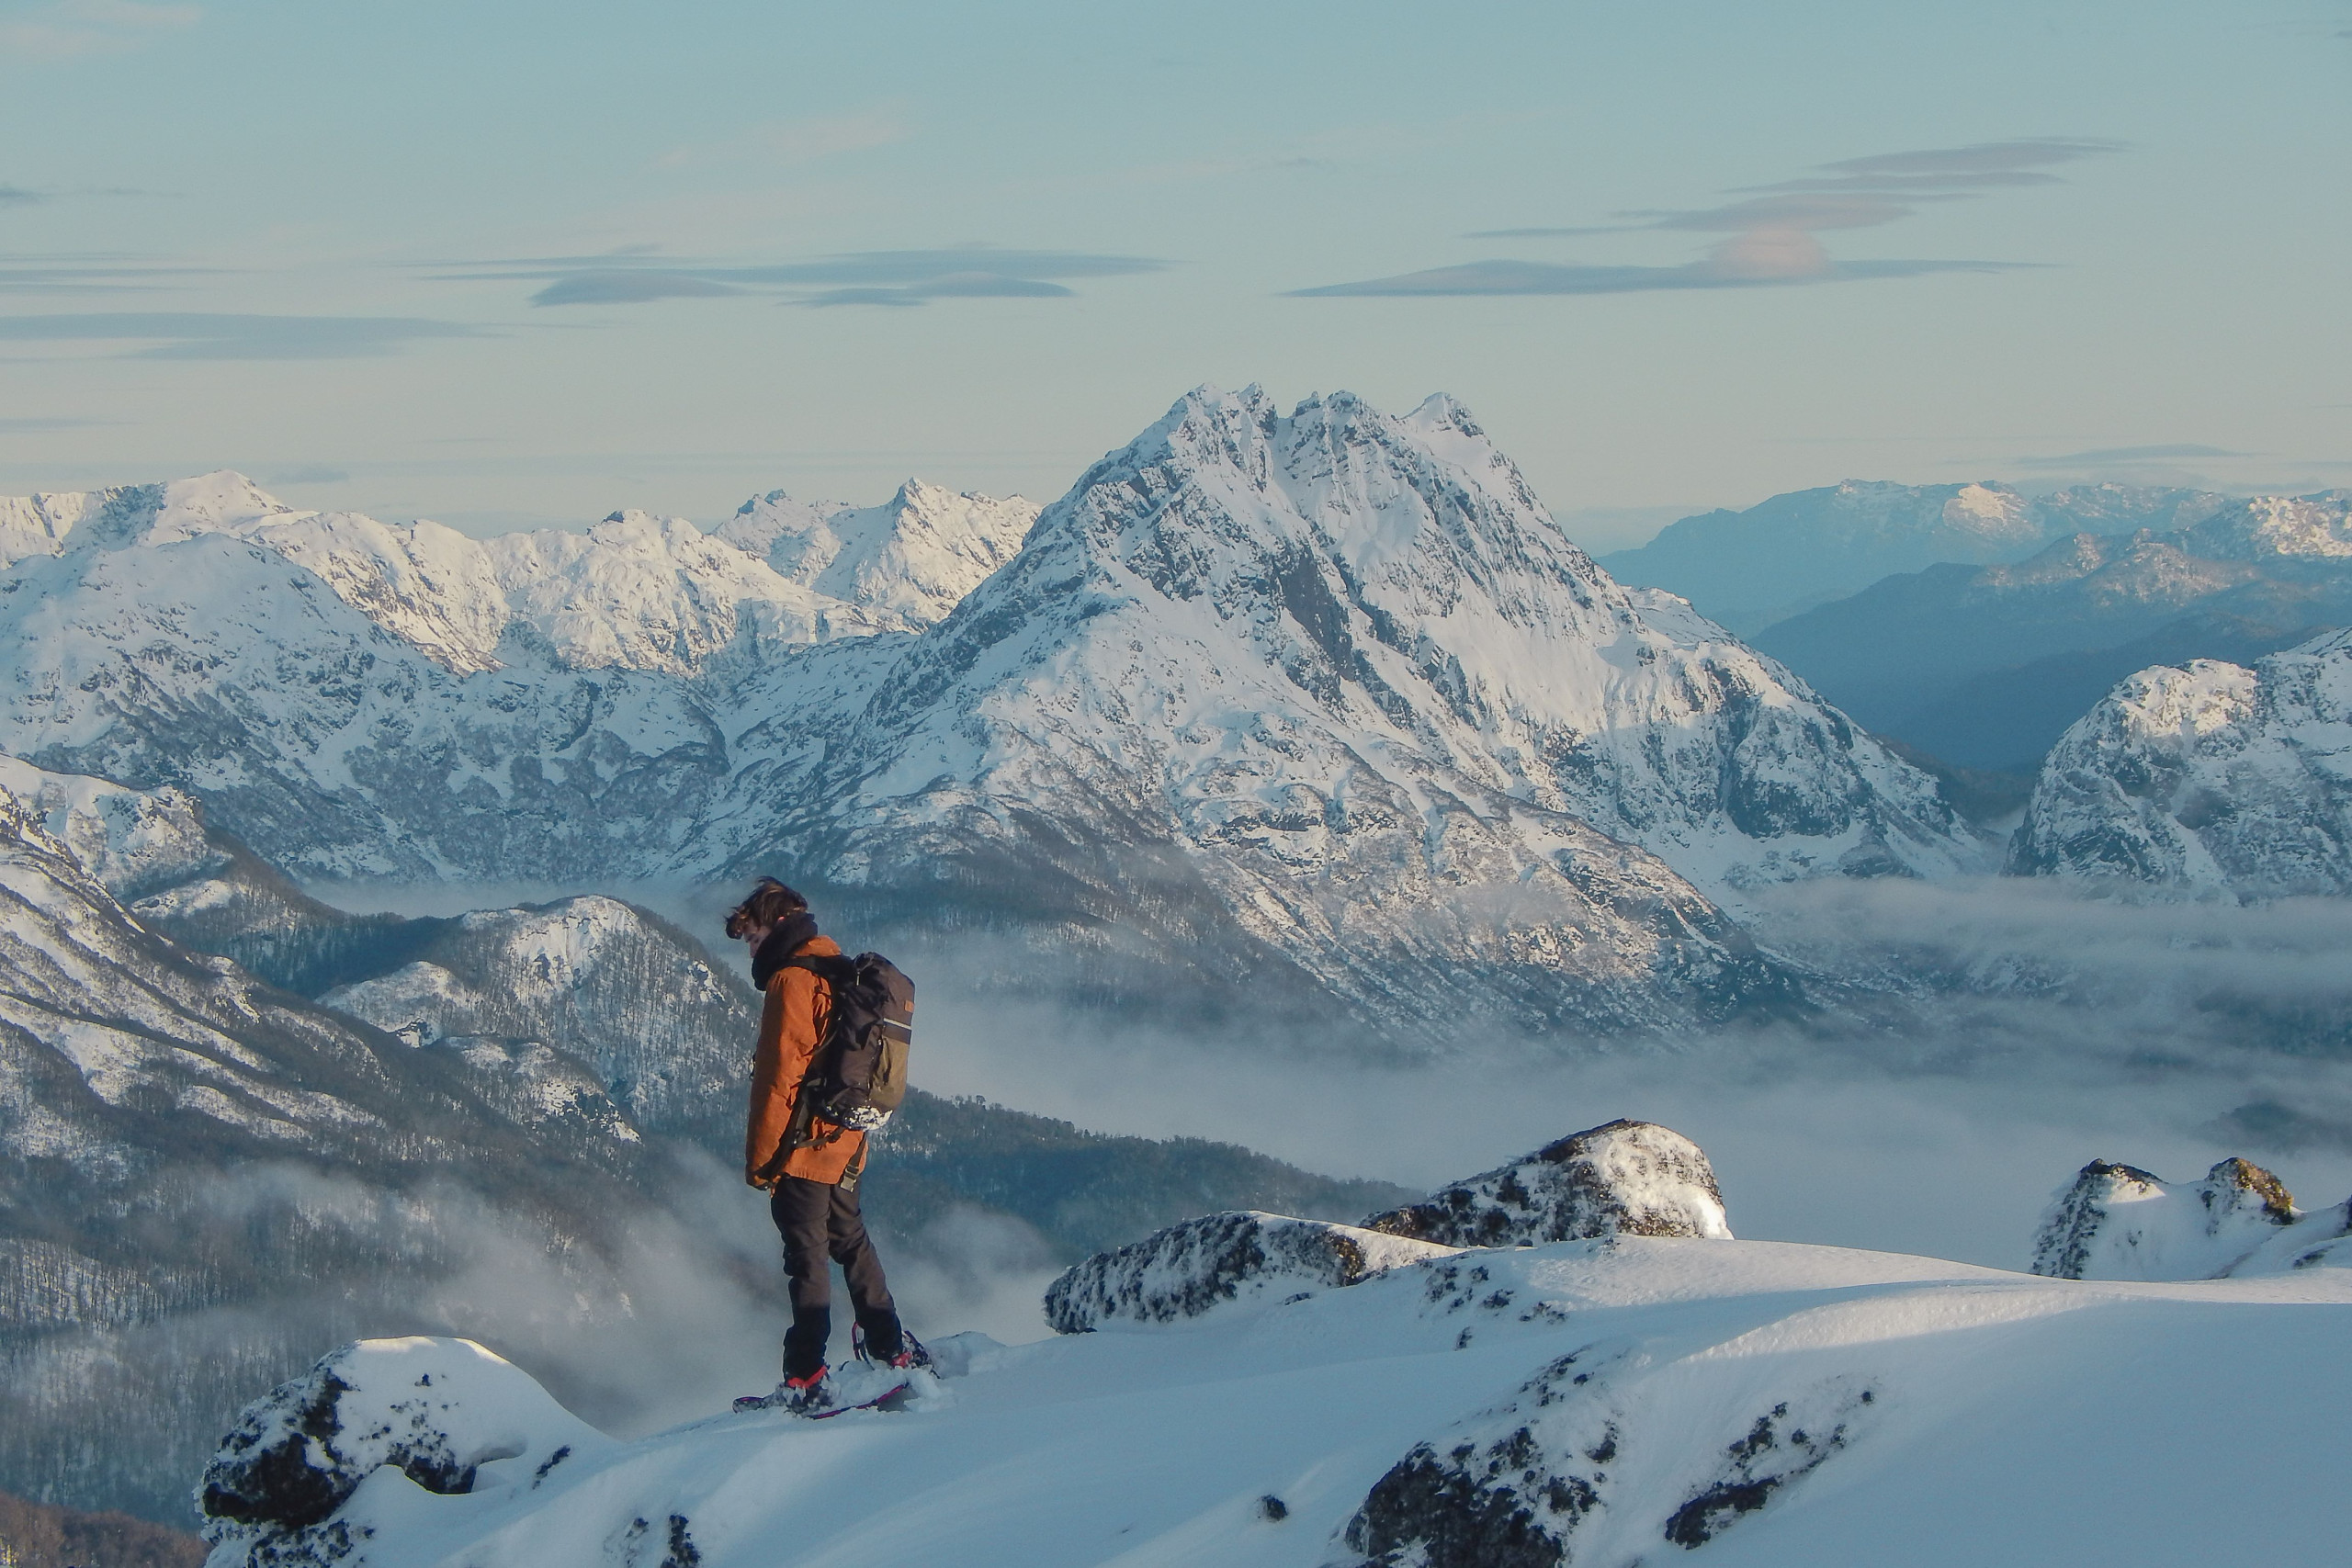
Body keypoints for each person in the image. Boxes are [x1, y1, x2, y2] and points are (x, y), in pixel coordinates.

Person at [729, 877, 921, 1411]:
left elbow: (779, 1079)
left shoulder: (793, 981)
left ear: (777, 926)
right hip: (846, 1138)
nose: (751, 950)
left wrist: (763, 1162)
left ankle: (805, 1376)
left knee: (806, 1257)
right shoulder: (835, 965)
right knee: (850, 1239)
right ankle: (890, 1346)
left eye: (753, 937)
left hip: (805, 1146)